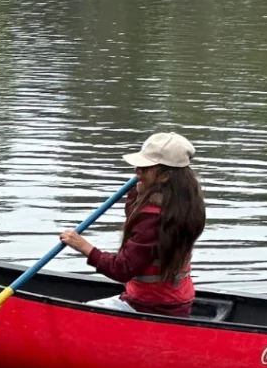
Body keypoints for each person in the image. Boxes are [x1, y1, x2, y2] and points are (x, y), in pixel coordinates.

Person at [60, 132, 205, 317]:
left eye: (144, 168)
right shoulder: (186, 204)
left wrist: (82, 246)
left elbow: (121, 270)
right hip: (176, 301)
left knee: (74, 316)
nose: (136, 171)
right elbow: (133, 217)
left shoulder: (154, 220)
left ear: (164, 176)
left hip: (151, 307)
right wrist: (140, 190)